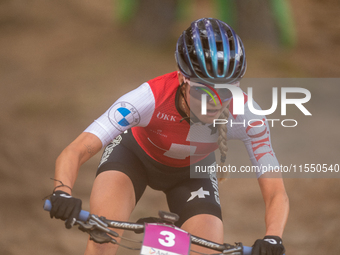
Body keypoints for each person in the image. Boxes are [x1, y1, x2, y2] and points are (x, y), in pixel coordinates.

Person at [49, 18, 289, 255]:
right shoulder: (148, 98)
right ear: (182, 78)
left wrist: (274, 237)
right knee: (103, 238)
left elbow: (275, 190)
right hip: (134, 158)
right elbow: (76, 149)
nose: (214, 103)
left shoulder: (248, 115)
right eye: (202, 91)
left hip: (193, 173)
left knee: (206, 251)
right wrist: (62, 191)